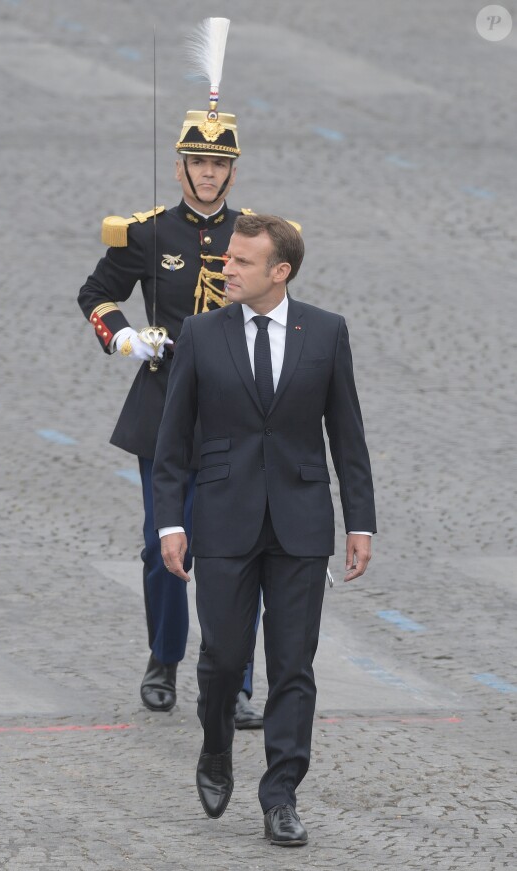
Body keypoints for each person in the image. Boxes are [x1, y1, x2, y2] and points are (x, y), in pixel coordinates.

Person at [152, 214, 376, 846]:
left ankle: (281, 793)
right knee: (222, 657)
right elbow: (172, 444)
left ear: (280, 272)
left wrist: (361, 522)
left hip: (302, 521)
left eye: (242, 262)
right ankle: (216, 749)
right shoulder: (200, 332)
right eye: (227, 259)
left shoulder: (326, 333)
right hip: (223, 517)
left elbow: (348, 436)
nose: (227, 268)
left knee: (293, 666)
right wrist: (171, 522)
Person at [77, 80, 264, 727]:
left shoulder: (257, 236)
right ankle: (163, 655)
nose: (209, 174)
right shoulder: (150, 233)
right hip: (164, 410)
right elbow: (96, 295)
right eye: (199, 161)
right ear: (181, 165)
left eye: (219, 164)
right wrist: (127, 335)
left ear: (232, 170)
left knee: (236, 550)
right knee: (165, 544)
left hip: (238, 414)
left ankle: (237, 682)